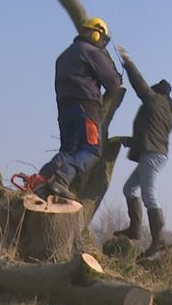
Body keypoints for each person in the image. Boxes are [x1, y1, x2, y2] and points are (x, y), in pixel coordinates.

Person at [34, 17, 124, 201]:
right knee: (92, 149)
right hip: (86, 107)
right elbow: (113, 83)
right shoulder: (91, 52)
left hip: (65, 109)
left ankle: (42, 178)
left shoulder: (64, 56)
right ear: (97, 34)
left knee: (69, 150)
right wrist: (113, 70)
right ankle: (61, 179)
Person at [112, 45, 172, 259]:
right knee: (130, 188)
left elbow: (139, 84)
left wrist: (127, 61)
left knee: (149, 195)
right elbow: (151, 134)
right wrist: (128, 140)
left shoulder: (155, 101)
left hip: (152, 155)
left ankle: (158, 242)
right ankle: (135, 230)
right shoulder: (167, 111)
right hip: (156, 154)